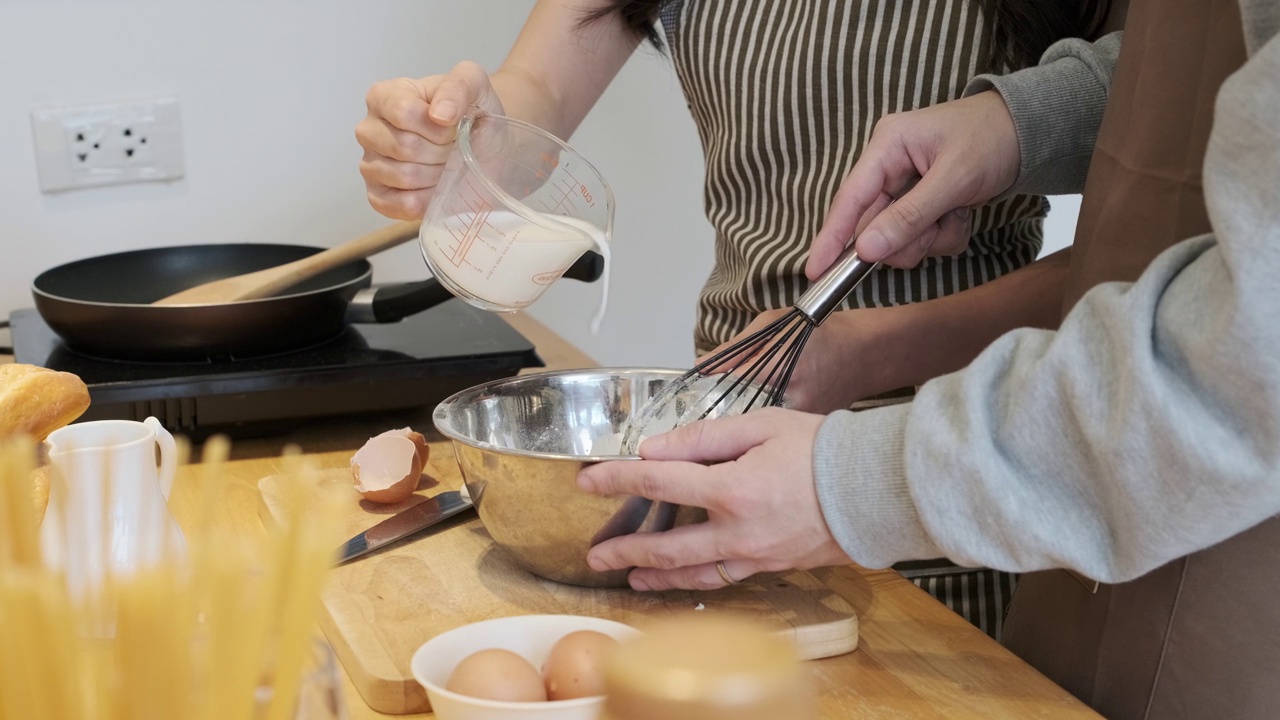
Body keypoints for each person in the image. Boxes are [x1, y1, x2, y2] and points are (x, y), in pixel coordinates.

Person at [576, 0, 1280, 716]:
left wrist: (849, 482)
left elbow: (1248, 364)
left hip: (1206, 569)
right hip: (1059, 516)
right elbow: (1193, 77)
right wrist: (1020, 121)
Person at [356, 0, 1111, 639]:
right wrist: (461, 139)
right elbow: (537, 91)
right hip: (711, 472)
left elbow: (1149, 265)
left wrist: (870, 350)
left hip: (950, 485)